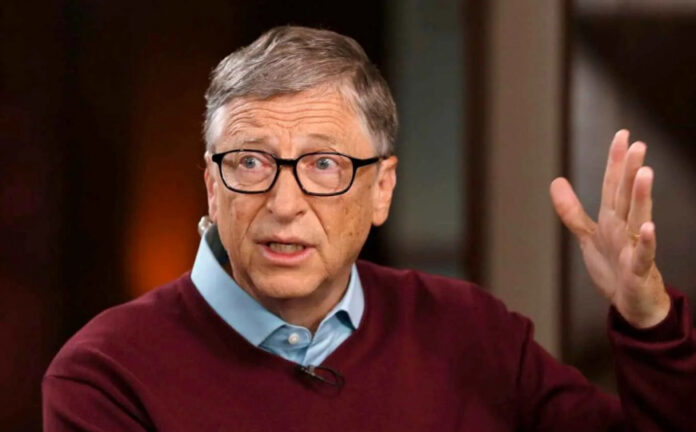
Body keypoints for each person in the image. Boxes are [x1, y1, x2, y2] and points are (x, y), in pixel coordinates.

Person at [43, 25, 695, 431]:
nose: (284, 204)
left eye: (324, 165)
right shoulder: (106, 375)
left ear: (381, 189)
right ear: (213, 185)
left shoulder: (474, 332)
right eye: (250, 162)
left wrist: (650, 323)